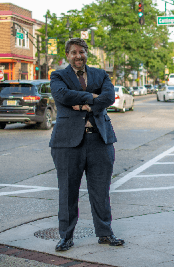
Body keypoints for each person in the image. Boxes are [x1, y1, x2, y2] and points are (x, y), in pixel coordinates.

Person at [49, 38, 124, 251]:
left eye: (81, 51)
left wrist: (84, 106)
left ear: (86, 53)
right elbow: (62, 96)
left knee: (101, 190)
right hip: (67, 143)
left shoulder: (101, 74)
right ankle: (66, 236)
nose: (78, 56)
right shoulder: (58, 76)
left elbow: (109, 97)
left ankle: (105, 233)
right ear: (67, 55)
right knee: (67, 191)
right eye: (73, 52)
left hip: (100, 140)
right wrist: (92, 96)